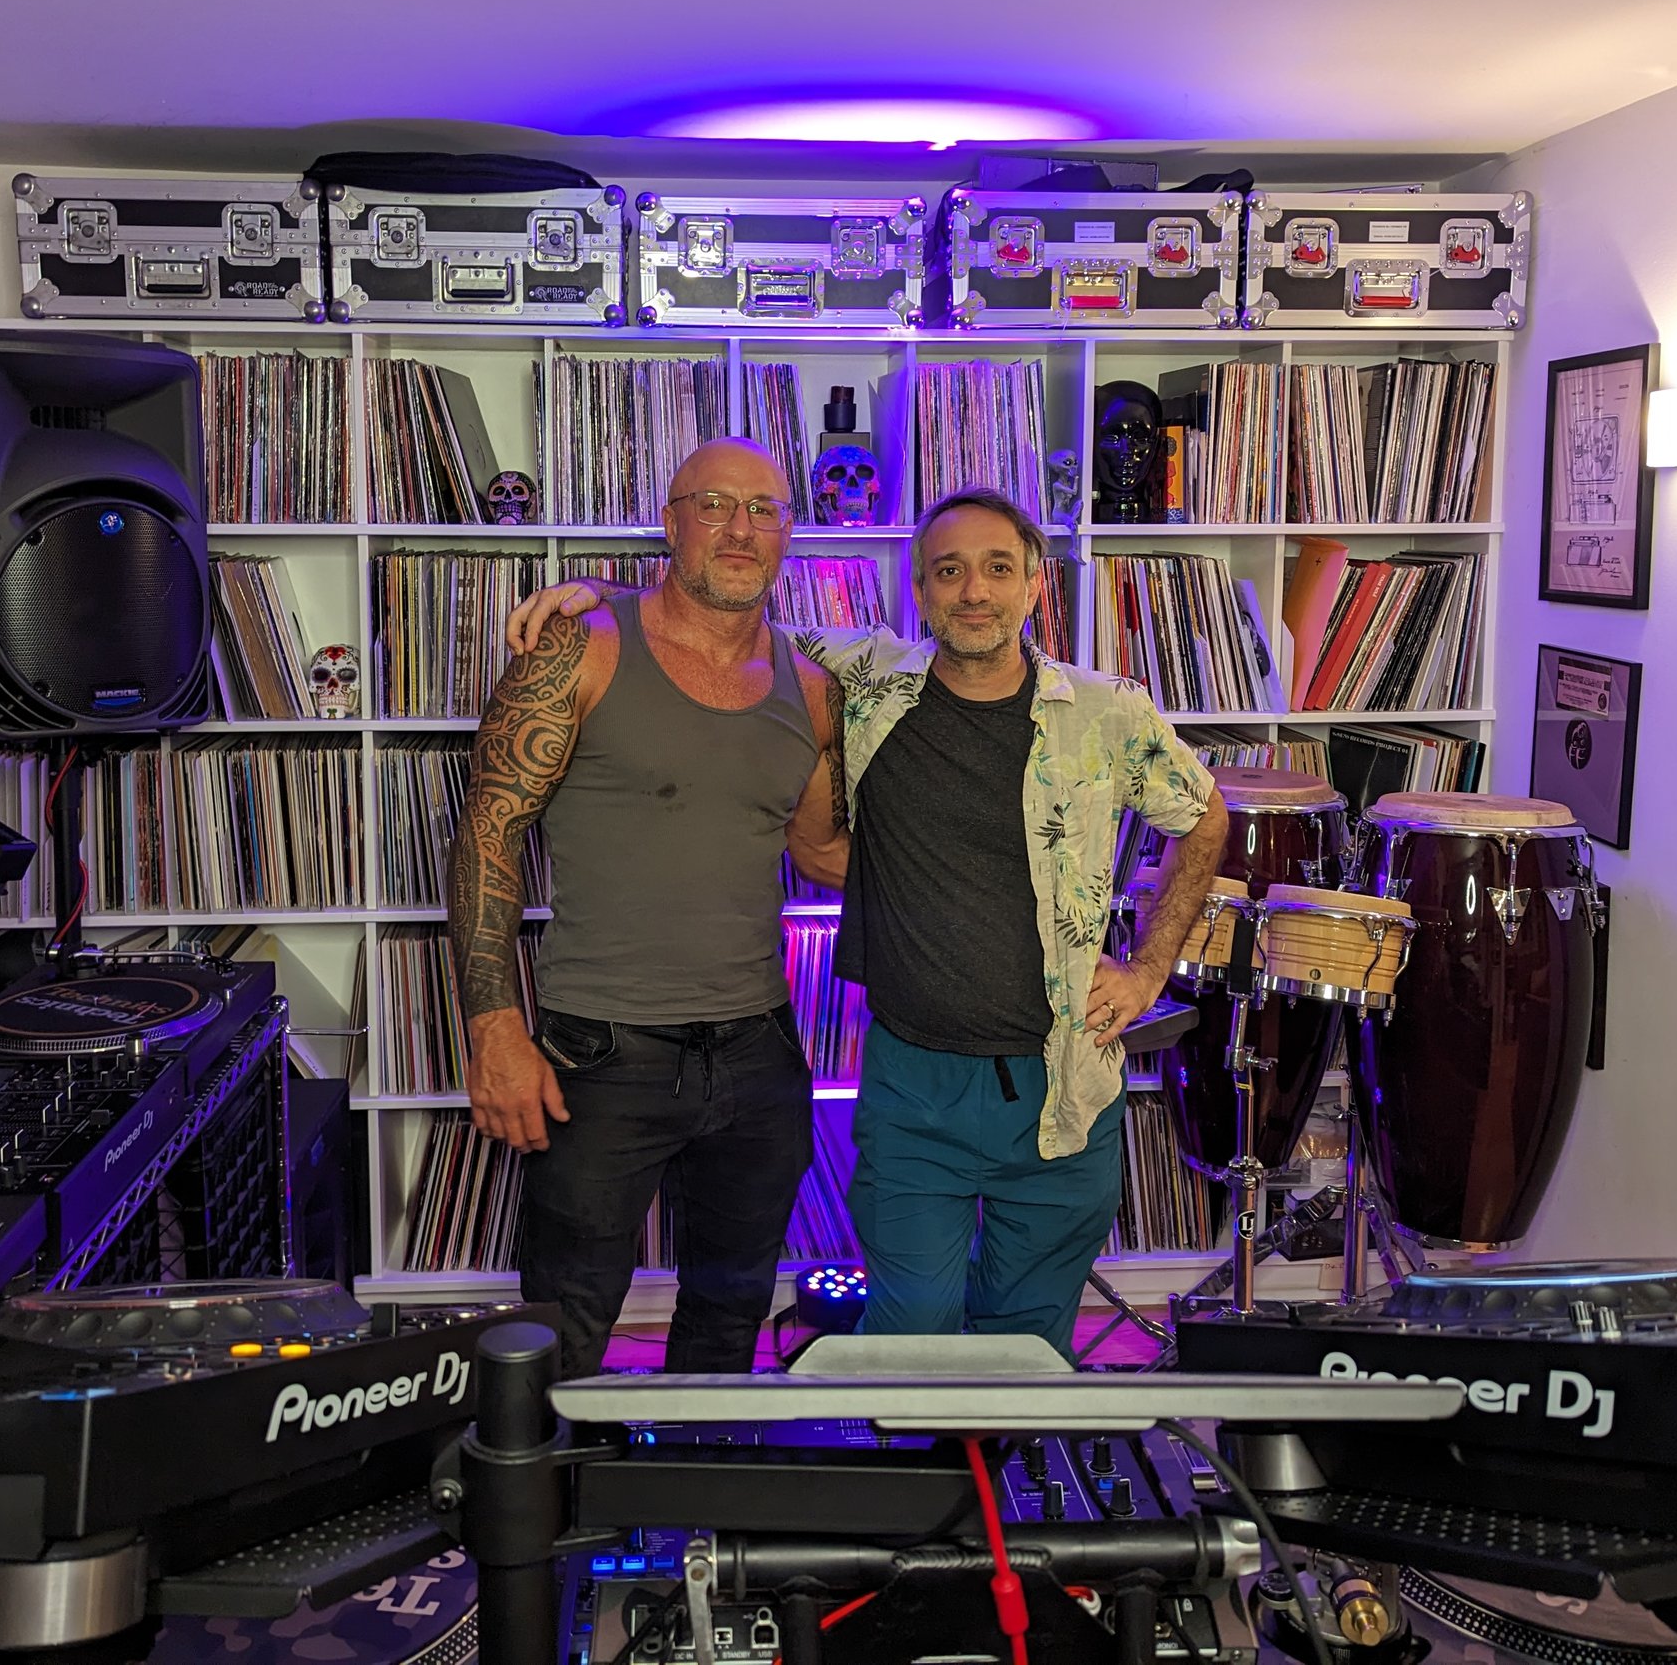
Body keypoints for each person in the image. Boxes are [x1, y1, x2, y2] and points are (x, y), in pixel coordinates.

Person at [509, 487, 1227, 1354]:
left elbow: (1205, 818)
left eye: (998, 569)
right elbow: (714, 620)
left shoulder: (1108, 710)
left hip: (1066, 1080)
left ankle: (1001, 1440)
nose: (974, 591)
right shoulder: (863, 681)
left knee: (1030, 1344)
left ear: (1036, 584)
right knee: (910, 1338)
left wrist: (1148, 968)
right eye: (948, 572)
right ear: (918, 590)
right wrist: (607, 595)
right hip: (912, 1087)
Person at [450, 437, 847, 1381]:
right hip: (600, 1053)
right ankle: (553, 1480)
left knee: (730, 1318)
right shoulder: (579, 649)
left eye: (763, 509)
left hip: (758, 1054)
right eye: (714, 505)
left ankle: (703, 1473)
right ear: (671, 524)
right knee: (564, 1326)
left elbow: (821, 851)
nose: (740, 528)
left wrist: (1005, 882)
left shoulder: (814, 688)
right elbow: (488, 838)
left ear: (789, 533)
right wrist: (494, 1029)